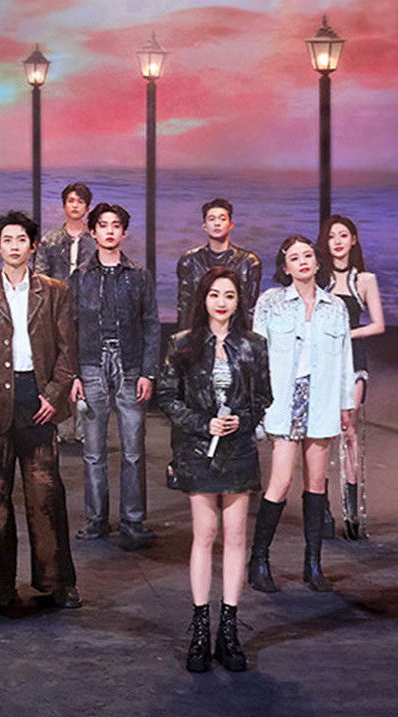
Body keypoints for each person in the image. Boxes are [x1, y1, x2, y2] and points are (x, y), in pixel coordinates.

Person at [0, 210, 81, 611]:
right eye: (7, 239)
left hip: (37, 396)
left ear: (33, 245)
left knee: (46, 493)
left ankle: (57, 582)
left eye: (21, 239)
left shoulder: (55, 292)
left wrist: (54, 394)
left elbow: (68, 351)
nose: (14, 246)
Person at [157, 267, 271, 673]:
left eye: (229, 295)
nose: (222, 302)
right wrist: (203, 423)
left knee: (236, 536)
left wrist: (243, 419)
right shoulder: (182, 344)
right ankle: (200, 630)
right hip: (198, 450)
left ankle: (229, 630)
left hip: (238, 451)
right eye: (215, 295)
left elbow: (263, 397)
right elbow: (166, 397)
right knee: (205, 534)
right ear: (203, 299)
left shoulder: (254, 345)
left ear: (239, 302)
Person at [247, 235, 353, 593]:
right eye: (295, 257)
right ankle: (259, 560)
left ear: (318, 262)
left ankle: (313, 564)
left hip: (322, 398)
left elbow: (345, 360)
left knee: (317, 483)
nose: (303, 261)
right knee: (281, 482)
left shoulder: (335, 307)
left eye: (308, 255)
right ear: (286, 266)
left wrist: (346, 404)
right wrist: (259, 403)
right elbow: (257, 356)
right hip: (284, 399)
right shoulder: (271, 302)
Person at [67, 203, 159, 544]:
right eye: (103, 225)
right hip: (91, 364)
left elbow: (151, 324)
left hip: (130, 365)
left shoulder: (139, 275)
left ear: (124, 232)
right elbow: (69, 327)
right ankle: (96, 520)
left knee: (133, 449)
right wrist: (73, 374)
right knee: (93, 451)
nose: (109, 230)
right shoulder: (80, 276)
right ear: (92, 231)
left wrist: (148, 371)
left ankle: (133, 520)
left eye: (115, 225)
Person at [316, 215, 385, 540]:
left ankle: (352, 511)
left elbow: (378, 324)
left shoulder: (365, 279)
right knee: (322, 433)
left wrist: (346, 334)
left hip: (353, 358)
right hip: (324, 360)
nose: (338, 242)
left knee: (349, 429)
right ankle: (322, 508)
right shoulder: (320, 278)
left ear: (353, 240)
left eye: (343, 235)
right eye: (332, 237)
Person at [36, 182, 96, 445]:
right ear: (63, 206)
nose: (75, 205)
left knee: (85, 367)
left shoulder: (95, 241)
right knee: (58, 367)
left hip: (88, 314)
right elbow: (40, 278)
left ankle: (84, 428)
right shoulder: (50, 241)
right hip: (56, 313)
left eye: (80, 201)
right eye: (71, 200)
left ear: (87, 207)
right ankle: (61, 425)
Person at [176, 198, 262, 330]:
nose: (217, 223)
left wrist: (247, 339)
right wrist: (185, 338)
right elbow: (185, 306)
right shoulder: (189, 261)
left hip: (236, 332)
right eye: (211, 219)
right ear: (204, 226)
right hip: (199, 332)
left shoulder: (248, 261)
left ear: (231, 224)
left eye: (222, 219)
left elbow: (250, 308)